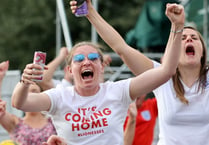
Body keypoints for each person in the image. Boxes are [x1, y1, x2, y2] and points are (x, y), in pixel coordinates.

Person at [11, 2, 183, 144]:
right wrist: (24, 81)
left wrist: (177, 26)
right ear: (70, 70)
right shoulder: (60, 97)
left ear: (102, 66)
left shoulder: (118, 91)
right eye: (79, 59)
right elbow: (20, 103)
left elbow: (167, 71)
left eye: (93, 57)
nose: (86, 61)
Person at [71, 1, 209, 145]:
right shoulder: (162, 77)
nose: (188, 39)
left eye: (194, 38)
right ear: (174, 52)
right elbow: (121, 48)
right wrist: (90, 12)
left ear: (202, 52)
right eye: (182, 38)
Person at [0, 61, 57, 145]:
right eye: (26, 93)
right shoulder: (15, 123)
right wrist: (0, 77)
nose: (30, 96)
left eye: (34, 91)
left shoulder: (54, 121)